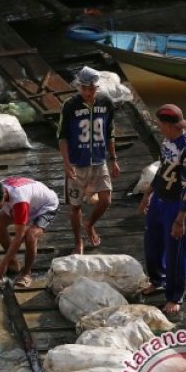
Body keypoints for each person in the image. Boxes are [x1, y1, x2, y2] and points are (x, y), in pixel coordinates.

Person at [138, 104, 186, 315]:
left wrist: (180, 219)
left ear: (169, 125)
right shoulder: (167, 141)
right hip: (160, 199)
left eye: (160, 124)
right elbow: (162, 168)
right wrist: (148, 193)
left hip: (176, 204)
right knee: (152, 242)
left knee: (175, 250)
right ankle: (157, 279)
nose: (158, 128)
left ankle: (175, 295)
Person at [58, 66, 119, 254]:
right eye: (84, 88)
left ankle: (90, 224)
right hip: (77, 163)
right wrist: (67, 164)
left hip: (99, 161)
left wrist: (113, 159)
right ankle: (78, 242)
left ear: (97, 87)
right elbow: (62, 137)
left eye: (91, 88)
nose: (87, 92)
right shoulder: (70, 106)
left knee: (106, 200)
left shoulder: (106, 103)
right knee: (75, 206)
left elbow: (110, 133)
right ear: (79, 87)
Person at [0, 176, 59, 287]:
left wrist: (3, 263)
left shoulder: (19, 201)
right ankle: (13, 263)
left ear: (3, 196)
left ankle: (26, 273)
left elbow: (19, 235)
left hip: (45, 207)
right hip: (28, 203)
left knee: (30, 235)